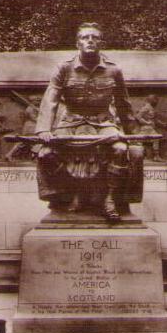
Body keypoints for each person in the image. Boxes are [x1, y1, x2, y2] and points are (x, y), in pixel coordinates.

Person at [36, 22, 135, 221]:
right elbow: (51, 99)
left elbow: (123, 104)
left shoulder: (113, 70)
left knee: (121, 150)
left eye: (94, 37)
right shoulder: (64, 68)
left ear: (101, 43)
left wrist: (131, 134)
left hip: (102, 124)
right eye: (84, 37)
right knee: (46, 153)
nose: (89, 40)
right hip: (71, 123)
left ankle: (109, 198)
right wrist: (43, 130)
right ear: (77, 43)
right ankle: (72, 192)